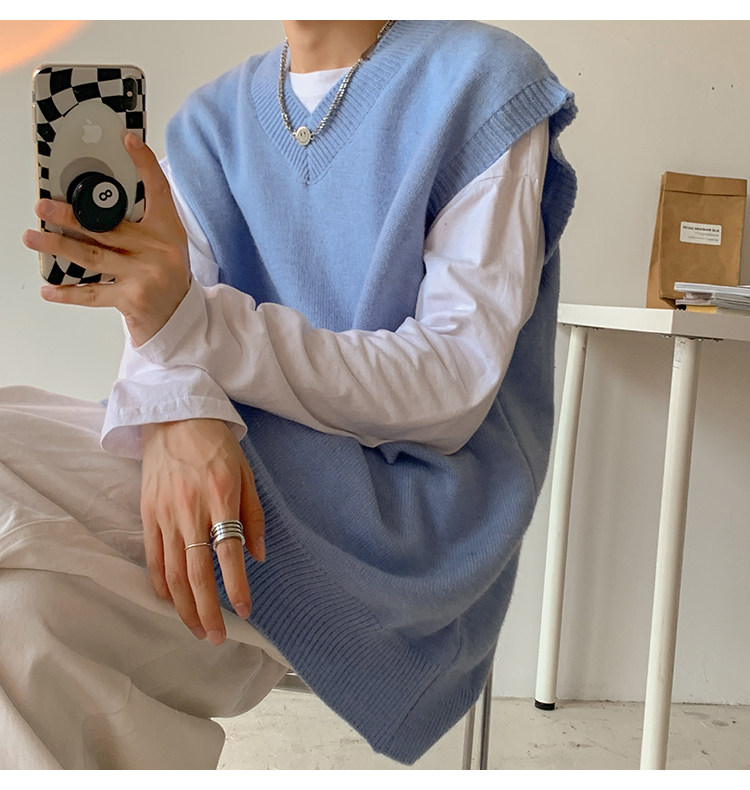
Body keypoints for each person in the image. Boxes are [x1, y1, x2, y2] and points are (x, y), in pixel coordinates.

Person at [6, 20, 577, 768]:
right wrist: (182, 416)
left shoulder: (480, 81)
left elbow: (451, 384)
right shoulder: (209, 123)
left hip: (397, 514)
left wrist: (195, 331)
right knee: (20, 622)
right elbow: (161, 331)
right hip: (233, 478)